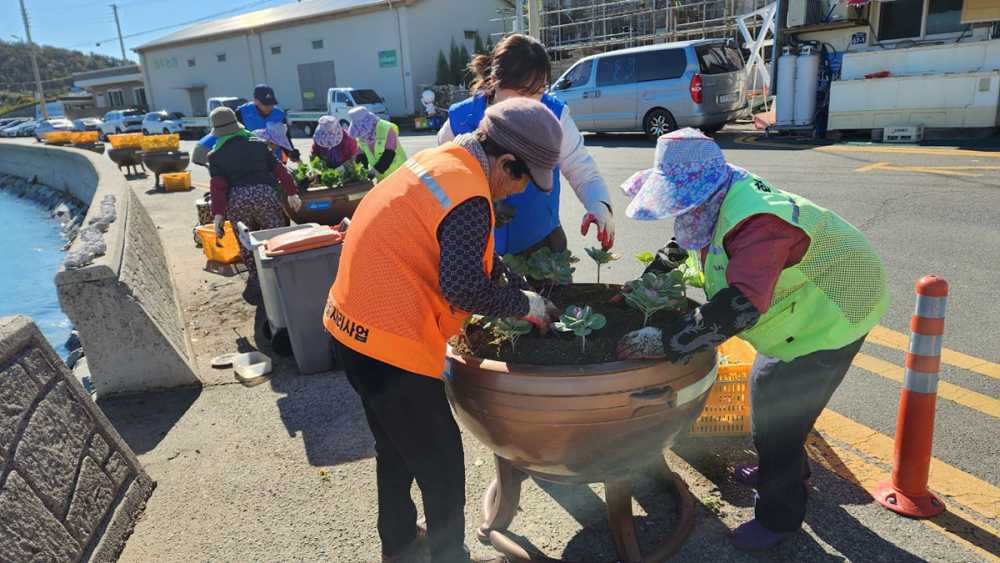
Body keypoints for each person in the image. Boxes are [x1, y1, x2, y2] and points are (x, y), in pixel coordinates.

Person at [615, 128, 890, 551]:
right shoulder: (717, 194)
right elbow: (683, 245)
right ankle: (785, 469)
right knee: (773, 401)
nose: (679, 210)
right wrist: (647, 284)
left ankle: (779, 518)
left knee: (778, 424)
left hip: (836, 310)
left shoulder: (757, 222)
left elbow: (740, 306)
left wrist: (666, 341)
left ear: (702, 191)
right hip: (806, 308)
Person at [324, 98, 563, 563]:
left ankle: (398, 544)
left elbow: (459, 250)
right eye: (522, 180)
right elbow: (464, 286)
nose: (518, 193)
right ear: (506, 162)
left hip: (350, 327)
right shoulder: (470, 197)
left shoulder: (443, 163)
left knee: (395, 448)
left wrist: (511, 281)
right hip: (390, 345)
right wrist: (525, 306)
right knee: (443, 471)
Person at [437, 33, 614, 256]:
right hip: (480, 246)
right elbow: (441, 179)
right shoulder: (461, 119)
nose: (531, 103)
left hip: (542, 242)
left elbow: (582, 170)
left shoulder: (554, 115)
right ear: (496, 81)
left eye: (538, 92)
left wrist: (599, 206)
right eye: (522, 92)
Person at [207, 107, 302, 299]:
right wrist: (292, 193)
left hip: (237, 201)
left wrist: (218, 215)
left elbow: (218, 187)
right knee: (274, 236)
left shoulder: (215, 155)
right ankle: (281, 275)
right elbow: (280, 170)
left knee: (247, 242)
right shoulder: (258, 144)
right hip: (264, 195)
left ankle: (259, 282)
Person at [193, 84, 300, 165]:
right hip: (251, 159)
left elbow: (284, 137)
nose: (269, 107)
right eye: (265, 104)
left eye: (271, 104)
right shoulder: (242, 113)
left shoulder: (279, 114)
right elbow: (231, 134)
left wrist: (291, 152)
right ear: (255, 101)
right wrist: (203, 147)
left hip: (275, 158)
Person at [348, 106, 406, 181]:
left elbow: (389, 153)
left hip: (399, 172)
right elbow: (361, 155)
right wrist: (363, 172)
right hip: (381, 177)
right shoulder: (360, 134)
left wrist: (374, 172)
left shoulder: (386, 128)